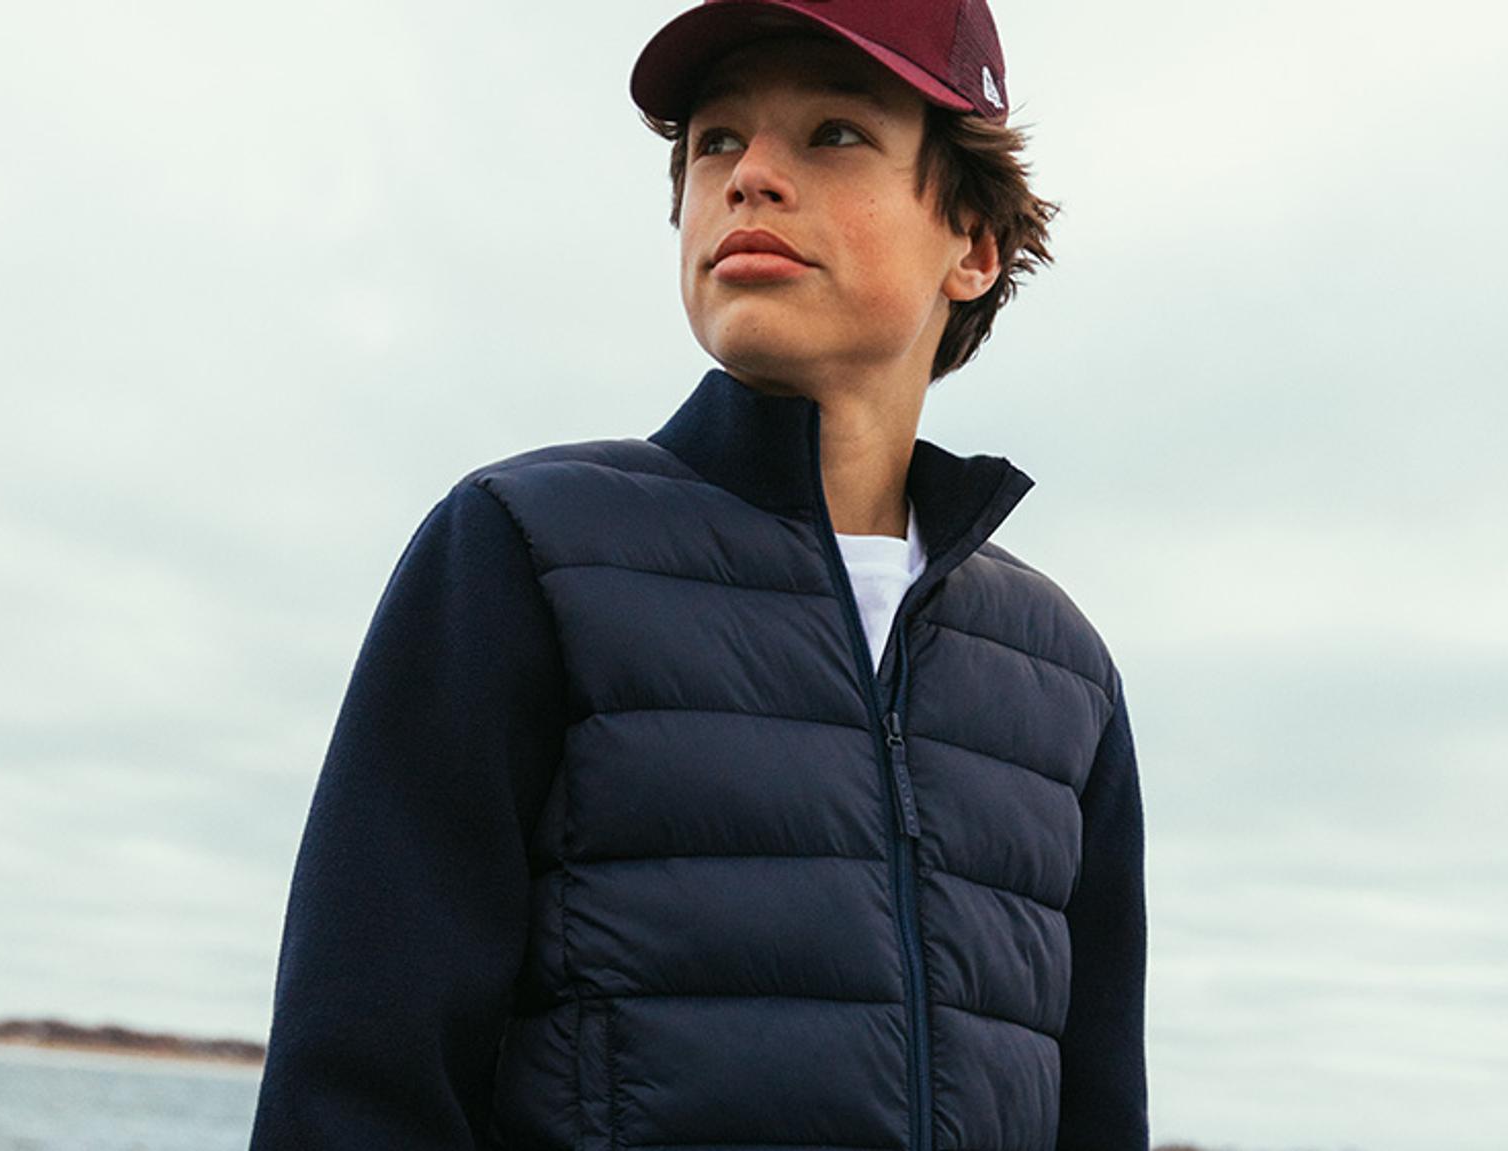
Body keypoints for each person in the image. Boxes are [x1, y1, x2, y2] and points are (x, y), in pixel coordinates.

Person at [248, 2, 1148, 1149]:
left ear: (970, 243)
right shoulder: (522, 551)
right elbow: (359, 1087)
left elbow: (1096, 1113)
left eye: (831, 134)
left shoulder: (1059, 673)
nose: (749, 176)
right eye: (715, 139)